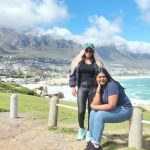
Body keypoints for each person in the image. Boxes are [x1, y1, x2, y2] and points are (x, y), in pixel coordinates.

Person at [84, 67, 133, 150]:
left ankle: (96, 146)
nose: (102, 79)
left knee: (99, 115)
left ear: (107, 76)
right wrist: (98, 90)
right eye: (99, 77)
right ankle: (92, 142)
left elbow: (111, 105)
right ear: (96, 78)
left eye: (104, 77)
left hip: (124, 109)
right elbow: (96, 104)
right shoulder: (100, 86)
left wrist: (94, 106)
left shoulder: (112, 85)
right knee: (93, 112)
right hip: (116, 108)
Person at [69, 43, 104, 141]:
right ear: (84, 51)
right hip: (82, 88)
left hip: (93, 89)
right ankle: (81, 129)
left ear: (93, 52)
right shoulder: (78, 62)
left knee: (91, 111)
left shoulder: (97, 63)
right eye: (87, 50)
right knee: (81, 110)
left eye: (90, 51)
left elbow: (102, 76)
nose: (88, 52)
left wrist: (101, 88)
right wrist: (72, 86)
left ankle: (89, 131)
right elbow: (72, 74)